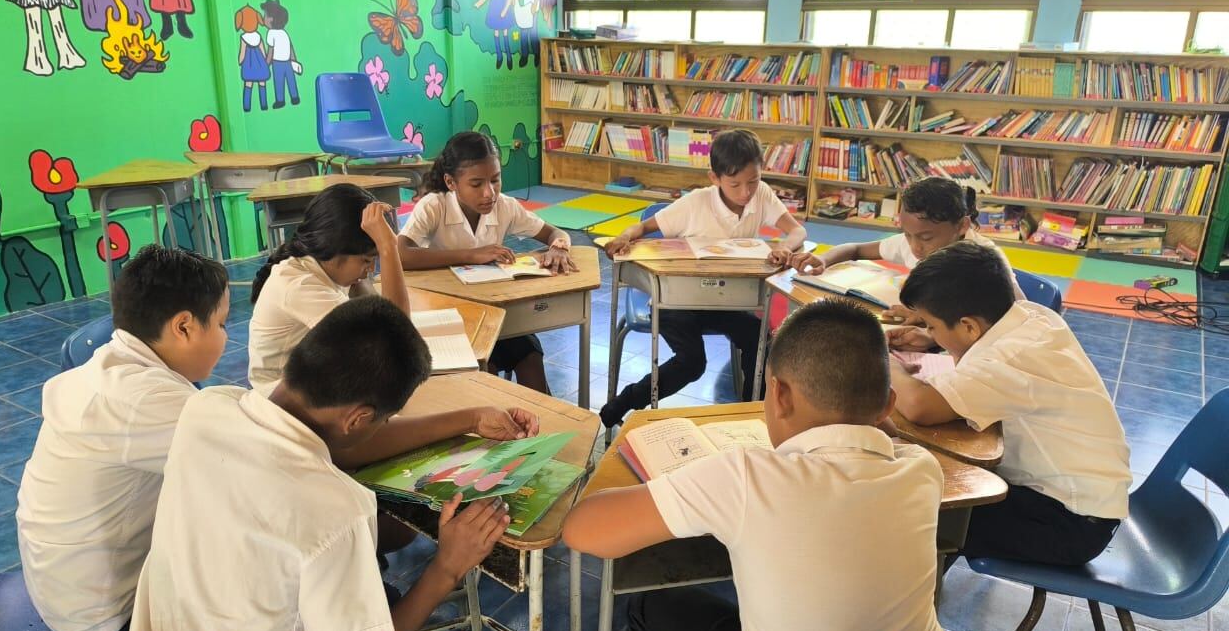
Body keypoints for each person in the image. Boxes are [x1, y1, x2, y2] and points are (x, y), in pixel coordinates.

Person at [129, 297, 528, 631]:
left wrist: (470, 418)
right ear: (360, 416)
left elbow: (335, 443)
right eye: (381, 419)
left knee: (375, 599)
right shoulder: (336, 510)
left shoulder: (210, 409)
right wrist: (446, 568)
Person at [564, 300, 954, 631]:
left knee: (650, 610)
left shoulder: (747, 476)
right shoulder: (921, 469)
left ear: (780, 395)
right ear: (886, 406)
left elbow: (583, 531)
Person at [16, 246, 228, 631]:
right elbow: (258, 459)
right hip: (108, 614)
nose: (225, 336)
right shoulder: (140, 399)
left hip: (62, 588)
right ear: (183, 327)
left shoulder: (108, 365)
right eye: (220, 323)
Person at [889, 240, 1131, 566]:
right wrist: (936, 338)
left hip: (1068, 524)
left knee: (913, 511)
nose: (930, 332)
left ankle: (915, 607)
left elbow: (919, 405)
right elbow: (979, 349)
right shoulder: (1031, 317)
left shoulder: (1008, 358)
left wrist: (883, 358)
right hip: (1084, 503)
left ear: (969, 326)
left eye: (931, 325)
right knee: (932, 488)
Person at [599, 129, 818, 428]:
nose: (745, 192)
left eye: (753, 181)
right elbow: (644, 228)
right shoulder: (695, 203)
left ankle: (749, 417)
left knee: (760, 339)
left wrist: (784, 246)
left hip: (724, 300)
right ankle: (626, 401)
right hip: (678, 302)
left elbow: (798, 231)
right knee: (692, 363)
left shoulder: (762, 194)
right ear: (714, 178)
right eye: (735, 184)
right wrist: (623, 236)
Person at [399, 131, 573, 393]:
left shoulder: (505, 206)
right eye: (476, 183)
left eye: (495, 180)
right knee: (483, 370)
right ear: (451, 182)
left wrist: (560, 248)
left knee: (531, 358)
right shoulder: (433, 205)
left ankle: (543, 428)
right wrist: (471, 254)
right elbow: (401, 254)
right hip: (448, 317)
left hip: (498, 312)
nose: (489, 192)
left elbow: (554, 233)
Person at [813, 177, 1024, 345]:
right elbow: (855, 248)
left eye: (926, 238)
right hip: (937, 338)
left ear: (962, 226)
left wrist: (926, 318)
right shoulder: (916, 238)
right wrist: (821, 259)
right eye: (907, 234)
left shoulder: (985, 259)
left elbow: (1021, 314)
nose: (915, 247)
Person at [249, 183, 409, 394]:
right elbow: (396, 335)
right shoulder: (300, 285)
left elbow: (379, 315)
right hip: (280, 405)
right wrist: (388, 247)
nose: (371, 269)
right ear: (334, 248)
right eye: (367, 260)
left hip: (313, 383)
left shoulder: (324, 267)